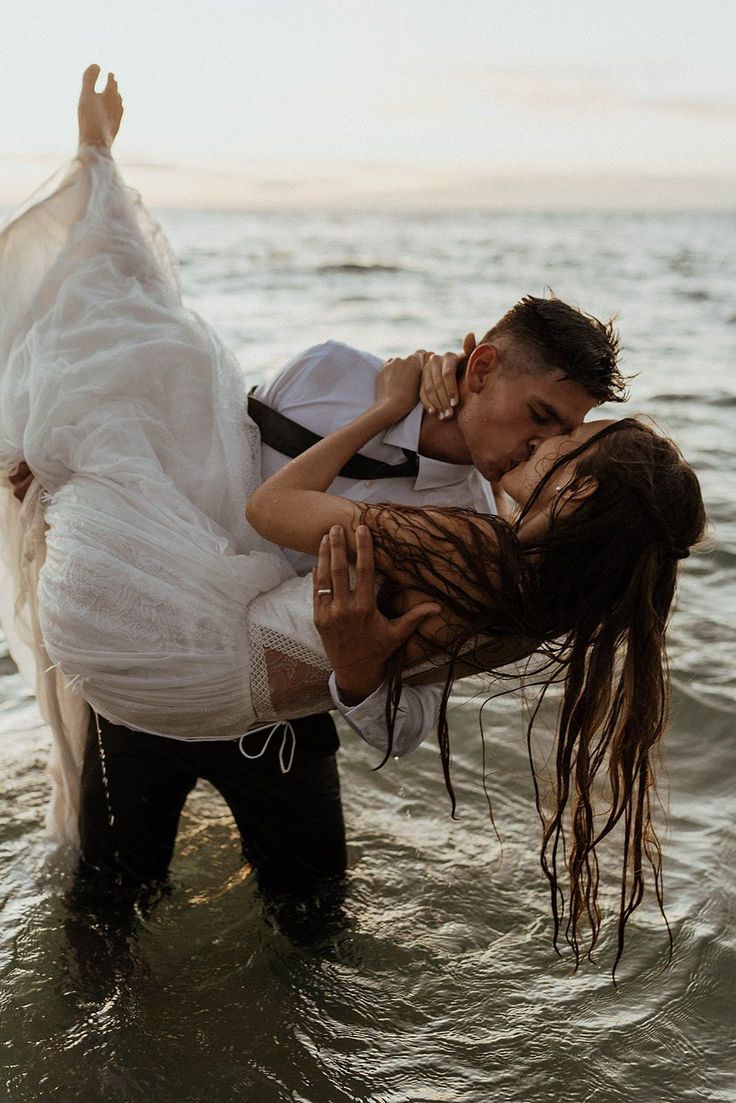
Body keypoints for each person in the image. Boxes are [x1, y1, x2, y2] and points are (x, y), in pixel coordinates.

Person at [0, 69, 706, 968]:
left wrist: (362, 677)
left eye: (563, 437)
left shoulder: (472, 526)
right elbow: (199, 462)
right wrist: (68, 474)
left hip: (282, 727)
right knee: (105, 907)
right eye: (541, 420)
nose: (539, 449)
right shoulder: (331, 373)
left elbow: (405, 727)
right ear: (481, 365)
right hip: (155, 681)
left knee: (315, 930)